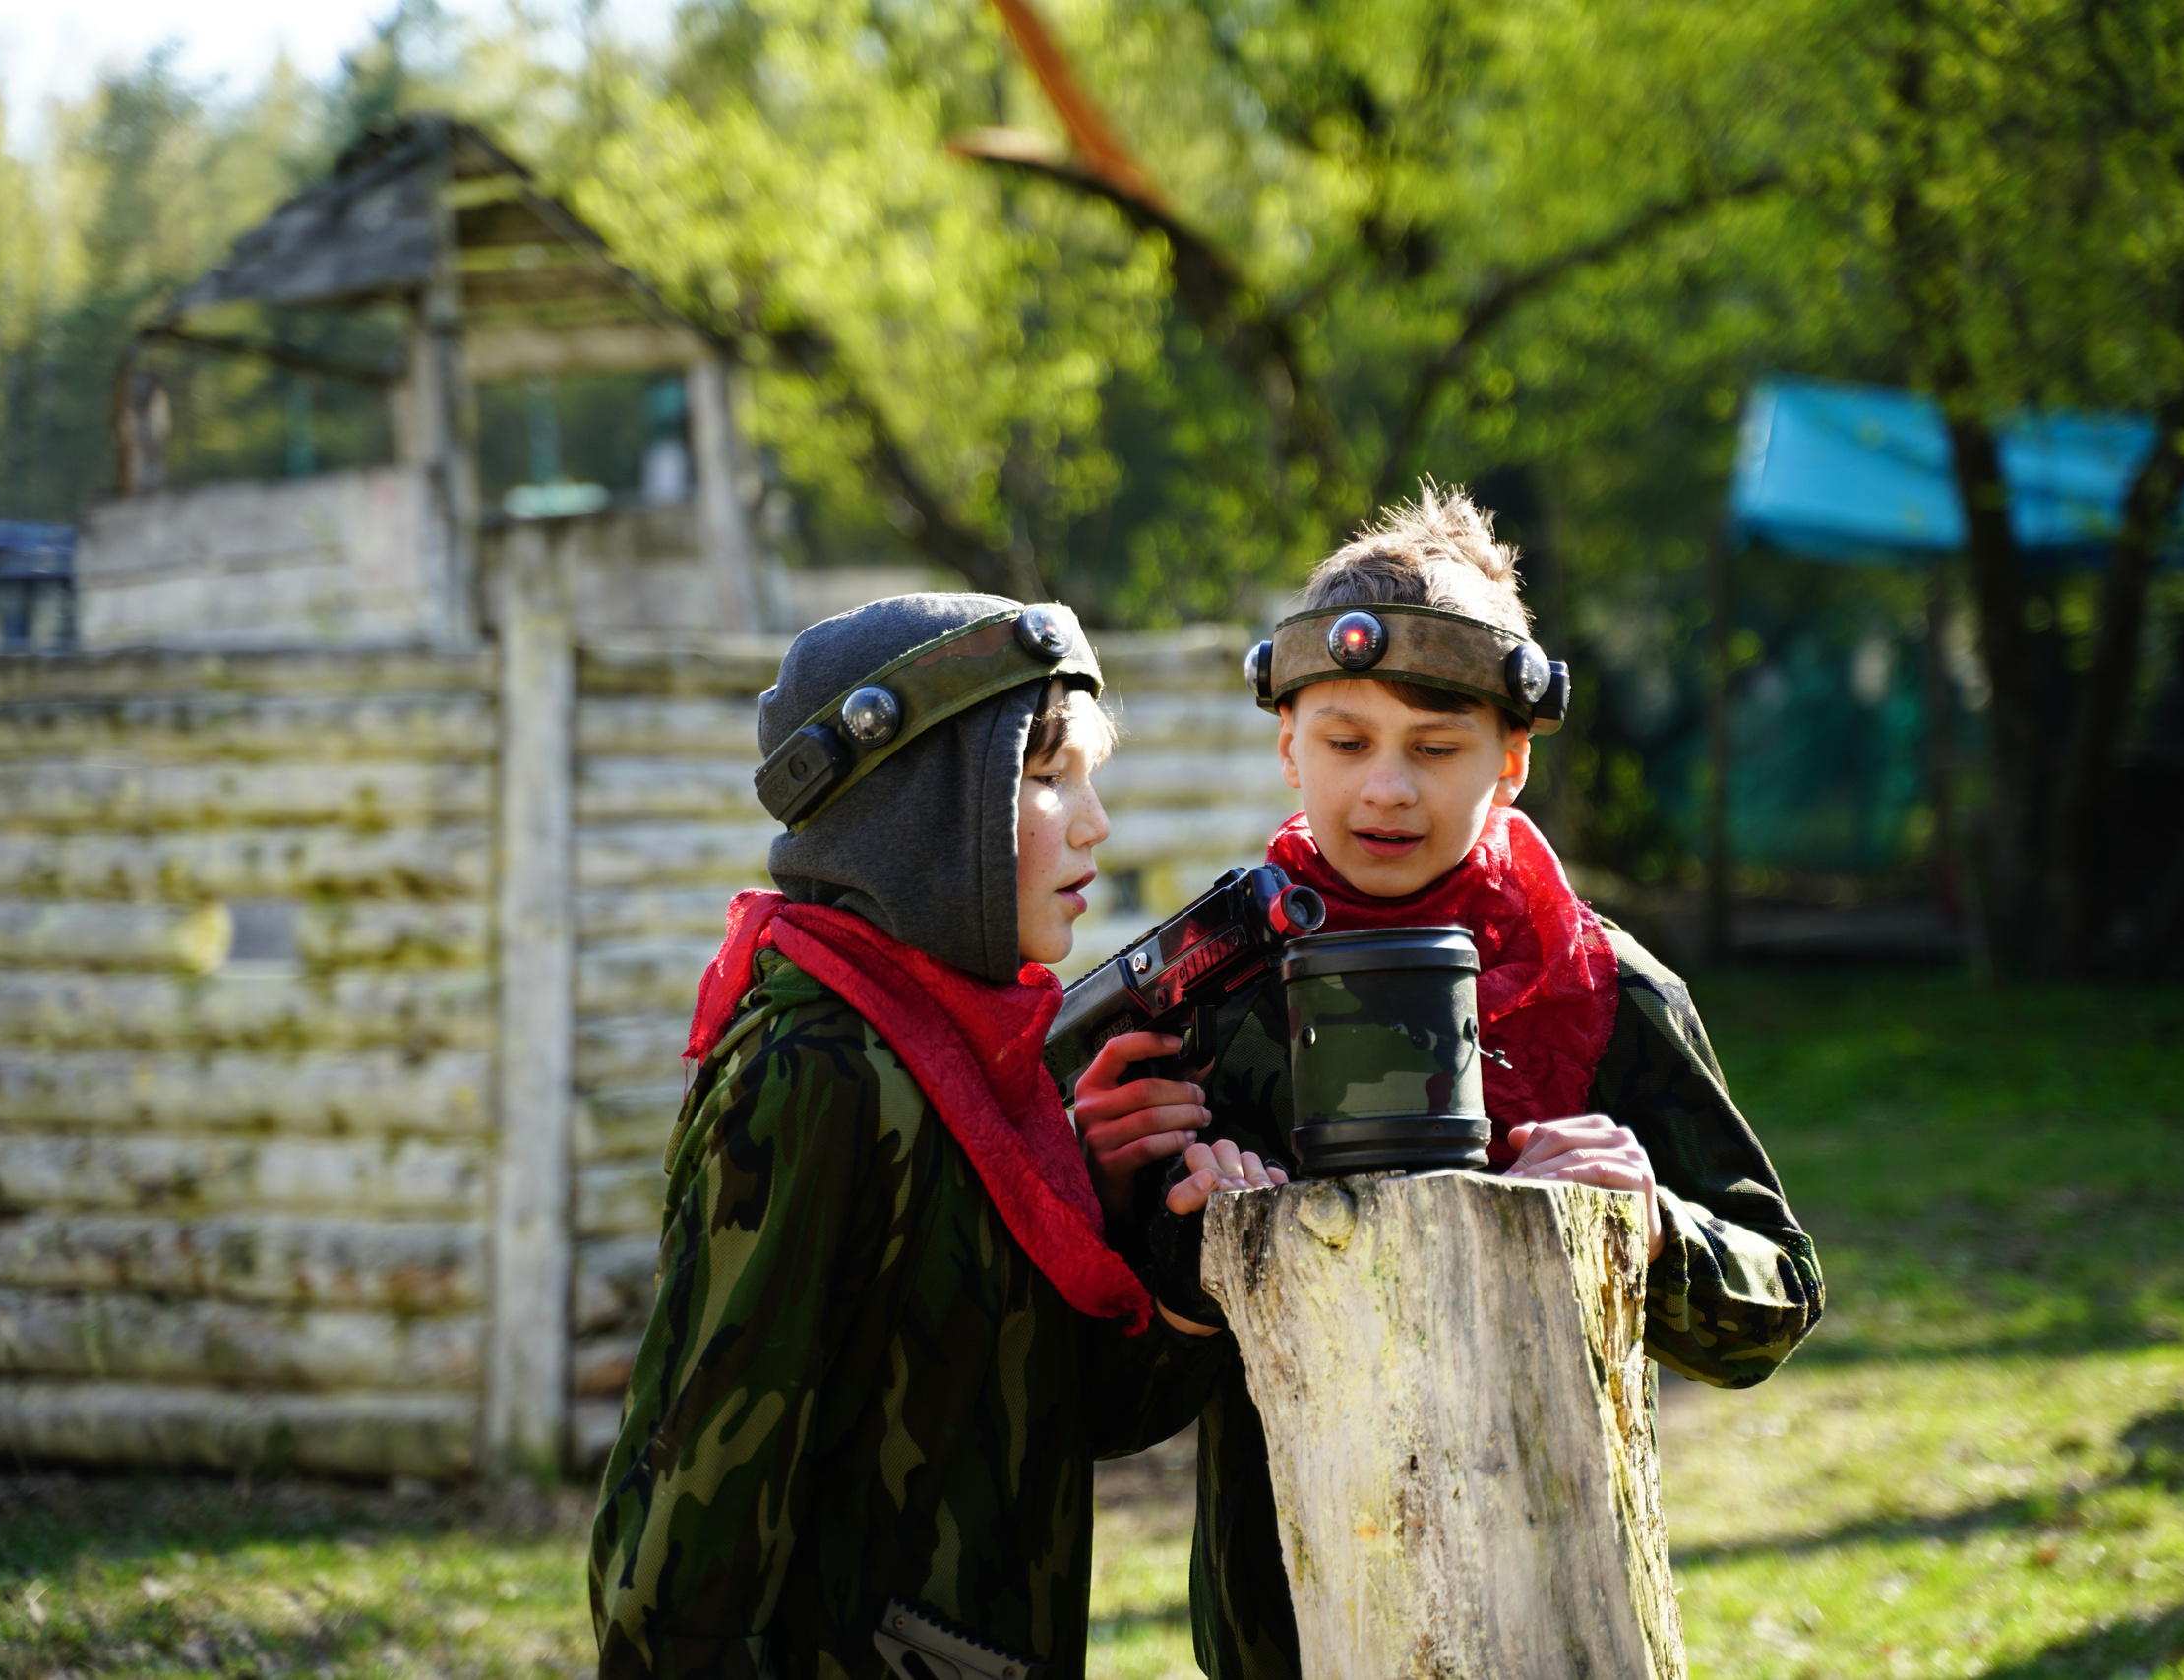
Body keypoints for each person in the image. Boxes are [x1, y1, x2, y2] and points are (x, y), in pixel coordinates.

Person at [1070, 488, 1828, 1679]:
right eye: (1344, 741)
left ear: (1511, 760)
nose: (1386, 789)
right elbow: (1109, 1408)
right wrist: (1142, 1214)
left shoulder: (1606, 990)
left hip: (1551, 1597)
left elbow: (1772, 1306)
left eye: (1435, 750)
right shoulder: (1197, 997)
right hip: (1287, 1631)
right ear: (1287, 745)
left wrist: (1646, 1224)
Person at [588, 594, 1283, 1680]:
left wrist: (1177, 1267)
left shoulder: (974, 1060)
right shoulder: (819, 1072)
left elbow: (1047, 1422)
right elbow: (698, 1507)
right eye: (1046, 777)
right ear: (920, 806)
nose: (1093, 821)